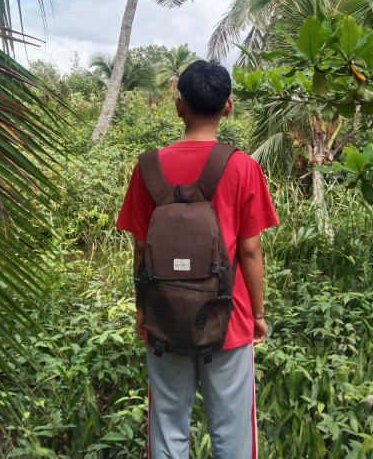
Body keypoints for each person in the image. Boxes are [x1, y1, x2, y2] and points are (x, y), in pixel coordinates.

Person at [116, 60, 278, 459]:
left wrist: (142, 308)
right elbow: (250, 250)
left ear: (179, 106)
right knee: (232, 432)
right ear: (228, 106)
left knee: (168, 427)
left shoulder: (147, 167)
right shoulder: (243, 166)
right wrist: (257, 314)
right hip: (229, 317)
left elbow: (141, 249)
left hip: (164, 314)